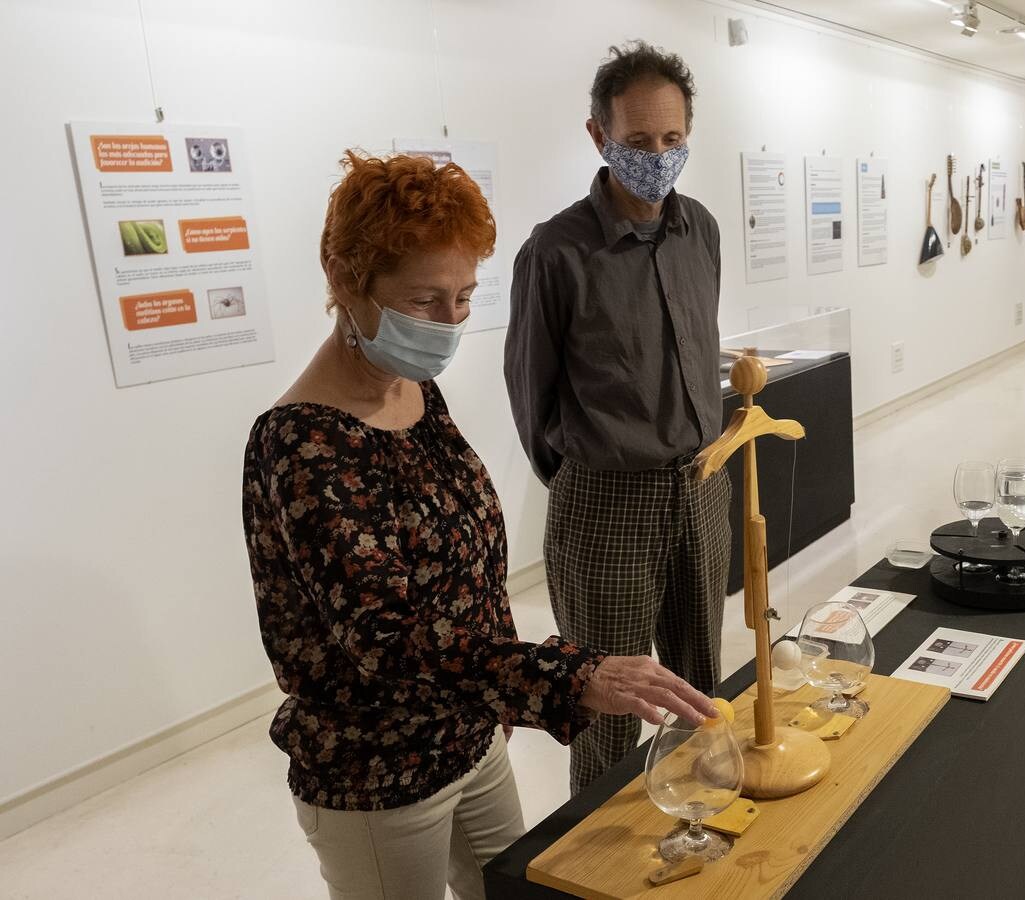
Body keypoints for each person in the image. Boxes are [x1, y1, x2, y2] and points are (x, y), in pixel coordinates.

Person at [241, 150, 716, 900]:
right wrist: (568, 675)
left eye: (463, 296)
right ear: (345, 283)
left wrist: (496, 701)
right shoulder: (304, 444)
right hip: (380, 772)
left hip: (468, 736)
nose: (451, 322)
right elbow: (388, 638)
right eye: (425, 301)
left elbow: (467, 567)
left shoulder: (412, 392)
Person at [504, 41, 730, 794]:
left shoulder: (700, 228)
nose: (658, 156)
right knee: (606, 712)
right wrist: (597, 473)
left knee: (701, 690)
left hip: (701, 487)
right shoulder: (555, 252)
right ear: (599, 136)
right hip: (604, 503)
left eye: (672, 140)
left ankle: (701, 824)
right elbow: (529, 397)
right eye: (638, 142)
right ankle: (598, 862)